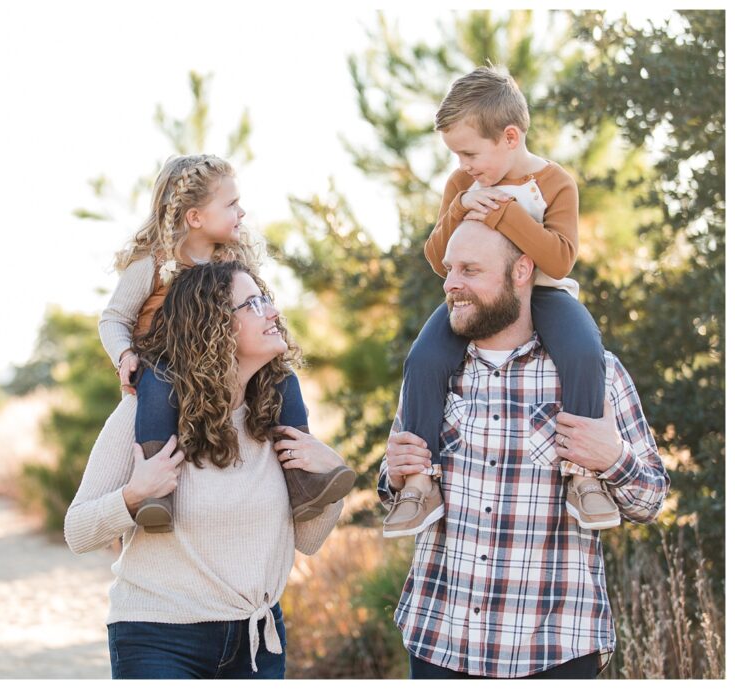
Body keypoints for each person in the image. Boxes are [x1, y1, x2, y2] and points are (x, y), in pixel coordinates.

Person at [379, 220, 670, 679]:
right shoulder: (432, 373)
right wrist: (394, 473)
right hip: (440, 644)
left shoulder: (597, 374)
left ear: (521, 272)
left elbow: (650, 500)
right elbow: (393, 490)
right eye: (450, 270)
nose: (452, 283)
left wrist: (612, 458)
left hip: (554, 652)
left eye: (471, 270)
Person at [68, 261, 350, 679]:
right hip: (159, 640)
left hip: (258, 643)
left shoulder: (273, 418)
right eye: (252, 304)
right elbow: (77, 532)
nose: (272, 312)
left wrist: (333, 481)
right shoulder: (143, 414)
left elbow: (308, 540)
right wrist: (132, 497)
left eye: (267, 299)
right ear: (215, 324)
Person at [384, 66, 619, 538]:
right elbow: (436, 258)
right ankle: (418, 483)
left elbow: (560, 258)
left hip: (546, 294)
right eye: (456, 154)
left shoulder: (555, 183)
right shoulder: (461, 185)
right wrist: (460, 208)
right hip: (475, 294)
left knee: (583, 349)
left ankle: (583, 476)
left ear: (510, 136)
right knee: (424, 357)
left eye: (470, 152)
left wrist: (509, 215)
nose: (464, 164)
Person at [99, 154, 354, 533]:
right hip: (165, 363)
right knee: (157, 387)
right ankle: (156, 494)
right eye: (232, 204)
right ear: (195, 217)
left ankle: (302, 482)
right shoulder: (154, 263)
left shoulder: (229, 261)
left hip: (218, 366)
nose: (242, 212)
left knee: (285, 382)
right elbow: (113, 317)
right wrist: (124, 354)